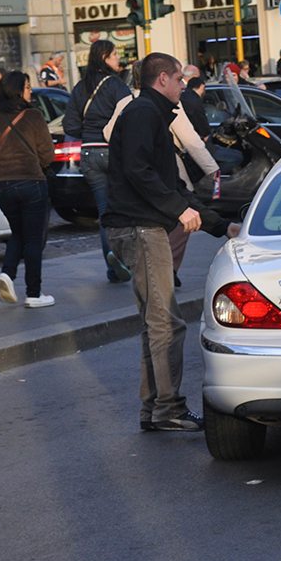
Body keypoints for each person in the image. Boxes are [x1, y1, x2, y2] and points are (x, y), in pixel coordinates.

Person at [102, 52, 240, 432]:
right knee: (167, 321)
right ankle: (168, 408)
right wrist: (178, 211)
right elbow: (140, 173)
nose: (184, 85)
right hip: (140, 226)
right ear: (161, 79)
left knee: (156, 321)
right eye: (179, 78)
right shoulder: (145, 114)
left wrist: (219, 225)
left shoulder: (152, 115)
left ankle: (155, 408)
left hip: (141, 224)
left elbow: (173, 185)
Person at [0, 72, 56, 308]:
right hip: (31, 182)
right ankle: (34, 293)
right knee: (33, 238)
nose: (31, 92)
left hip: (2, 186)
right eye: (28, 88)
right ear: (18, 91)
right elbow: (48, 154)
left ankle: (7, 274)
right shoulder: (33, 117)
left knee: (18, 232)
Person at [64, 39, 134, 283]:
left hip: (89, 155)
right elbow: (131, 116)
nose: (118, 59)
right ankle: (123, 258)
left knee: (104, 212)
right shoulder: (117, 86)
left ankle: (113, 265)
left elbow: (70, 125)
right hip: (113, 153)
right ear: (105, 57)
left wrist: (90, 130)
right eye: (115, 55)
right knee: (123, 210)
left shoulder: (80, 87)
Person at [168, 98, 220, 288]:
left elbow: (109, 132)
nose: (182, 86)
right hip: (170, 167)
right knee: (186, 215)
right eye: (178, 79)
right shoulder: (168, 102)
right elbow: (190, 139)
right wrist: (212, 169)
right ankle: (169, 267)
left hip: (138, 171)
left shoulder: (126, 100)